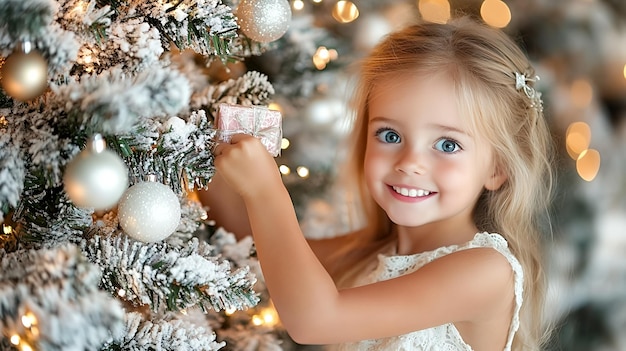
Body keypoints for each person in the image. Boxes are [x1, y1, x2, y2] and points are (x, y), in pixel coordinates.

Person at [205, 17, 554, 351]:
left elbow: (314, 321)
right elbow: (248, 236)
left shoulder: (486, 272)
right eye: (390, 135)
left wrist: (265, 188)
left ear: (498, 168)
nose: (410, 163)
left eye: (448, 145)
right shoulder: (368, 255)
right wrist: (201, 142)